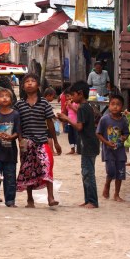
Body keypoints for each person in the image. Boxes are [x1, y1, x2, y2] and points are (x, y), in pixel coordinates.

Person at [15, 73, 61, 208]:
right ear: (23, 86)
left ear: (38, 86)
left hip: (42, 141)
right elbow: (17, 124)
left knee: (47, 166)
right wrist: (20, 139)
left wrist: (56, 142)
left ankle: (50, 197)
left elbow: (50, 123)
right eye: (26, 81)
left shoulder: (44, 103)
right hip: (26, 142)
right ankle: (30, 199)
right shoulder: (19, 104)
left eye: (32, 81)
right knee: (28, 170)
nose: (29, 83)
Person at [58, 80, 99, 209]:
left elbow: (79, 127)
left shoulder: (82, 108)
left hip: (89, 144)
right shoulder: (86, 107)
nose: (72, 98)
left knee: (88, 173)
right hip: (89, 144)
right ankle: (88, 200)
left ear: (80, 94)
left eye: (73, 95)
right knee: (86, 172)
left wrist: (67, 118)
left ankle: (92, 201)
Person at [0, 88, 21, 207]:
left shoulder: (15, 114)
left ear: (11, 100)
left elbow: (18, 131)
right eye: (2, 96)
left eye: (7, 96)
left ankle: (10, 201)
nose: (5, 98)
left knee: (10, 176)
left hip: (11, 151)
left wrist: (12, 137)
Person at [95, 95, 129, 202]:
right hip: (108, 151)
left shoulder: (123, 120)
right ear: (109, 106)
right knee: (110, 171)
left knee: (120, 172)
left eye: (118, 105)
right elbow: (98, 134)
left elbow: (126, 133)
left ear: (122, 107)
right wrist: (106, 143)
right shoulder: (104, 119)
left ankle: (116, 194)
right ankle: (107, 184)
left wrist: (124, 137)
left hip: (120, 151)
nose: (115, 107)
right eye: (113, 104)